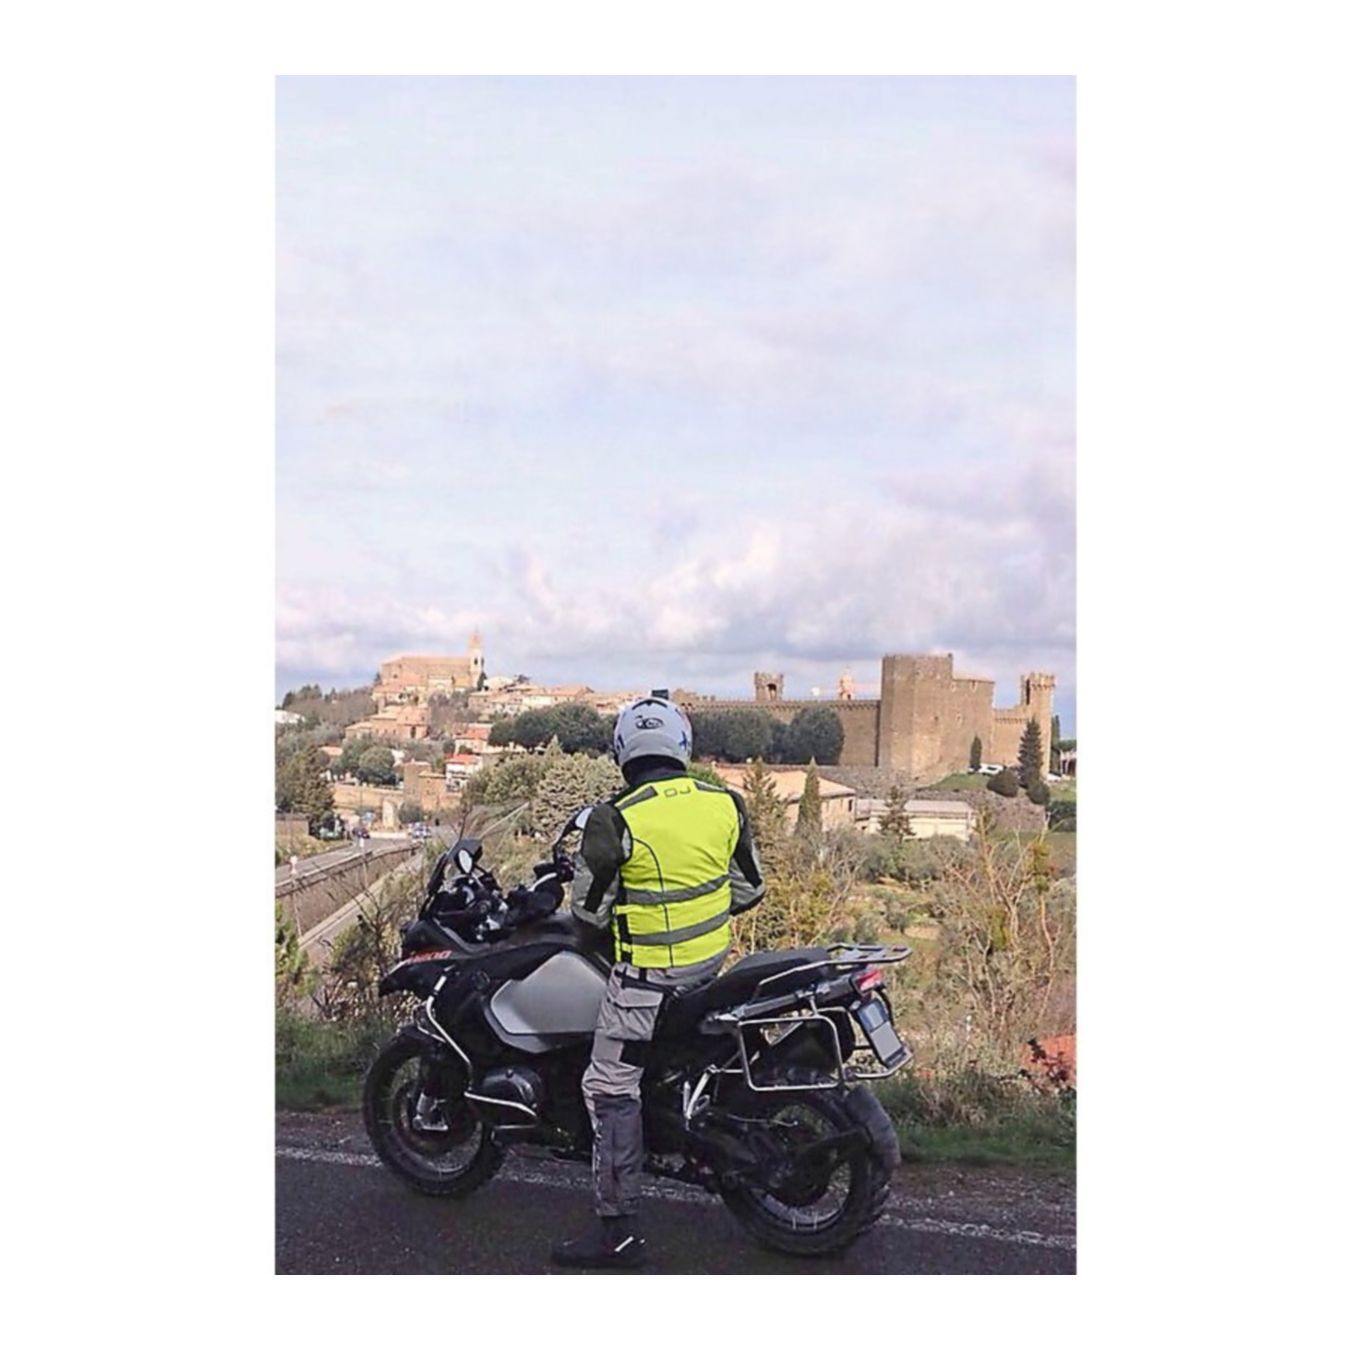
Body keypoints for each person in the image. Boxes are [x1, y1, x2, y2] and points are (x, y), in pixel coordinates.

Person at [549, 694, 765, 1270]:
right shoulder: (724, 803)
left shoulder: (615, 818)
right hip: (710, 964)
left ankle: (617, 1233)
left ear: (622, 750)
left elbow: (588, 914)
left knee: (608, 1086)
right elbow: (750, 889)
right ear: (682, 746)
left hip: (647, 981)